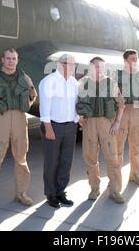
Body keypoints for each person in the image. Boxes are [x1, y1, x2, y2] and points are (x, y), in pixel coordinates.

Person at [0, 48, 37, 213]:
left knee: (21, 158)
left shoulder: (24, 78)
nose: (11, 61)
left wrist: (24, 107)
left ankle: (21, 193)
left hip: (19, 119)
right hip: (1, 120)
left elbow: (33, 96)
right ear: (2, 60)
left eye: (14, 58)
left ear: (17, 61)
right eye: (8, 58)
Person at [76, 57, 126, 204]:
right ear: (90, 67)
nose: (100, 70)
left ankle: (115, 191)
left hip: (107, 124)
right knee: (90, 158)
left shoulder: (111, 83)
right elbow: (76, 102)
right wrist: (79, 116)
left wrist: (117, 122)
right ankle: (94, 188)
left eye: (103, 67)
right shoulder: (82, 83)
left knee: (112, 158)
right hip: (89, 124)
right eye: (97, 67)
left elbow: (121, 105)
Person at [39, 54, 79, 208]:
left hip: (70, 127)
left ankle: (61, 192)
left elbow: (74, 104)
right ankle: (50, 194)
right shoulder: (49, 81)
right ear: (61, 64)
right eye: (70, 64)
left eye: (74, 65)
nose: (73, 67)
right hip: (53, 127)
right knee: (51, 161)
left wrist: (77, 120)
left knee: (66, 161)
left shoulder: (74, 82)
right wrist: (48, 127)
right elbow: (44, 106)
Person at [113, 49, 139, 186]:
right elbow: (112, 92)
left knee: (136, 146)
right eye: (132, 59)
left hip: (136, 111)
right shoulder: (117, 75)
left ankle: (135, 175)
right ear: (125, 60)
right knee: (117, 146)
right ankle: (115, 179)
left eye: (136, 59)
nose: (135, 61)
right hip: (121, 111)